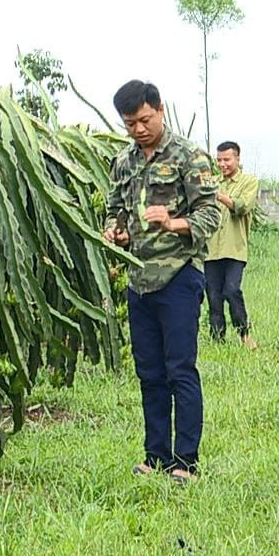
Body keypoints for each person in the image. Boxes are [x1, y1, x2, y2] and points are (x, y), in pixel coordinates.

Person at [102, 80, 221, 484]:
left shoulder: (190, 156)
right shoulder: (123, 162)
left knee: (180, 370)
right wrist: (114, 232)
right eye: (129, 123)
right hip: (139, 280)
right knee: (149, 372)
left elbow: (210, 213)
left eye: (144, 120)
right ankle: (155, 456)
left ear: (160, 110)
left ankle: (186, 463)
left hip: (179, 276)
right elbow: (114, 208)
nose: (137, 129)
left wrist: (173, 222)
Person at [205, 141, 260, 347]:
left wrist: (217, 195)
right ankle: (217, 339)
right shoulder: (212, 182)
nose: (222, 164)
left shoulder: (249, 182)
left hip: (235, 249)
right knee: (213, 296)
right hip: (211, 250)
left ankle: (244, 334)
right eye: (218, 160)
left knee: (231, 290)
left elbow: (242, 206)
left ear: (237, 159)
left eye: (226, 159)